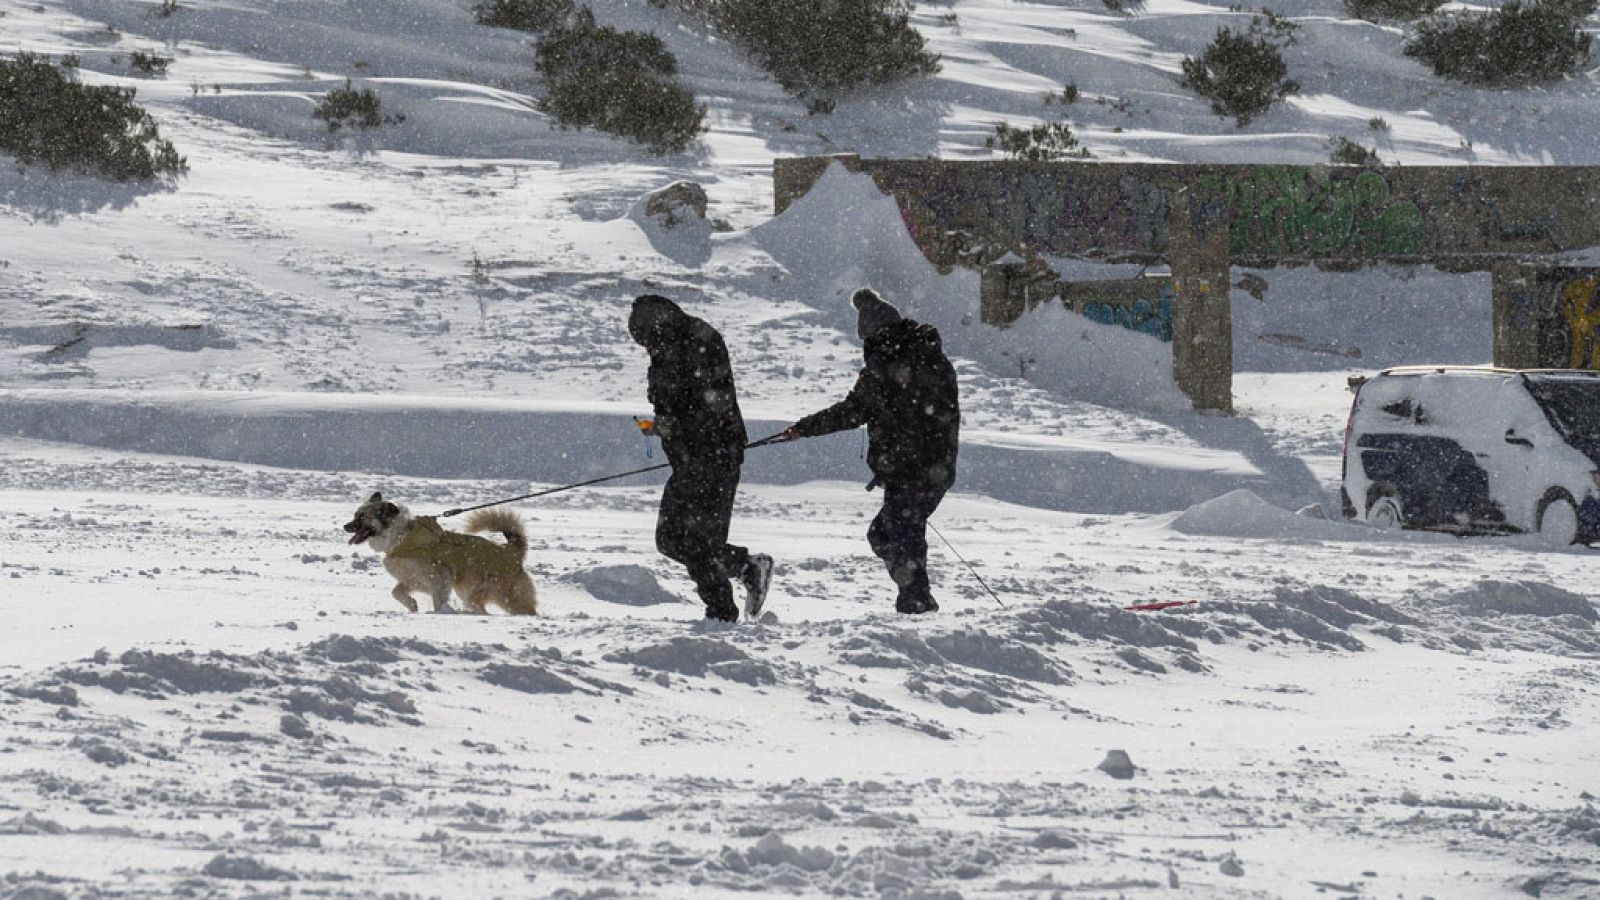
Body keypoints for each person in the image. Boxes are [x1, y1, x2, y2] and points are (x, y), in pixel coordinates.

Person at [783, 289, 959, 614]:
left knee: (898, 534)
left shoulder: (887, 366)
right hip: (936, 467)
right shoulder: (931, 357)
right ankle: (916, 599)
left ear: (873, 335)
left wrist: (804, 428)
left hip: (910, 470)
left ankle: (916, 604)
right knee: (887, 533)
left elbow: (852, 411)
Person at [629, 294, 772, 622]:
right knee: (670, 539)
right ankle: (746, 569)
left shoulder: (698, 342)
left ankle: (721, 613)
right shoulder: (668, 349)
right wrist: (662, 426)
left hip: (715, 457)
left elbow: (712, 407)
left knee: (699, 542)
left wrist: (670, 424)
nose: (647, 350)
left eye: (648, 342)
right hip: (688, 460)